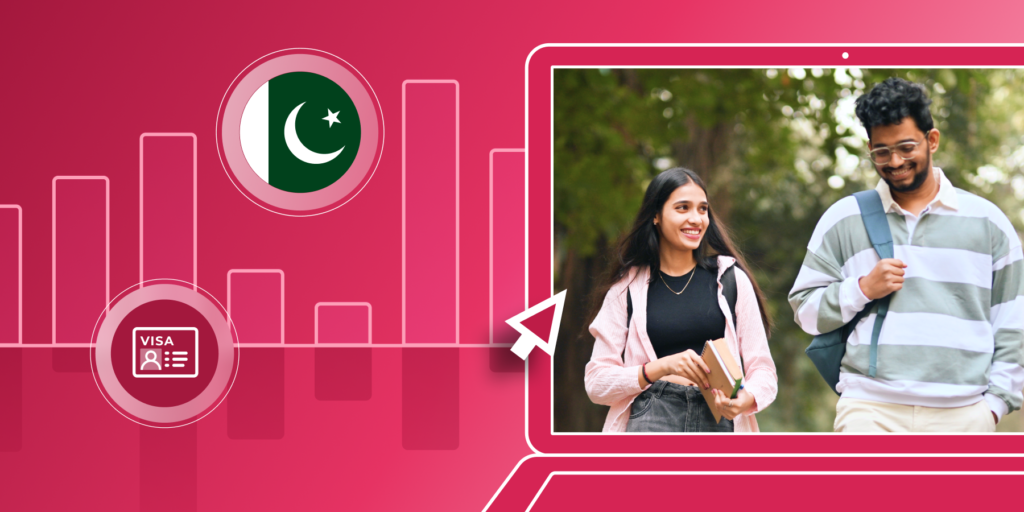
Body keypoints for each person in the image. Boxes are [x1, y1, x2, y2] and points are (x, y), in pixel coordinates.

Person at [789, 77, 1024, 432]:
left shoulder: (988, 222)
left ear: (932, 140)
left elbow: (1012, 321)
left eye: (906, 147)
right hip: (870, 408)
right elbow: (805, 311)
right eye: (881, 151)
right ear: (870, 147)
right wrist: (862, 289)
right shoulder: (844, 218)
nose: (895, 161)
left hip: (963, 413)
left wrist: (994, 405)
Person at [584, 167, 778, 432]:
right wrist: (659, 367)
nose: (696, 219)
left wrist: (747, 399)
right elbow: (597, 384)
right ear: (656, 216)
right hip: (652, 419)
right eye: (682, 208)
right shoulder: (625, 290)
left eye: (702, 209)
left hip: (720, 420)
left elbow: (763, 370)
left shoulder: (731, 280)